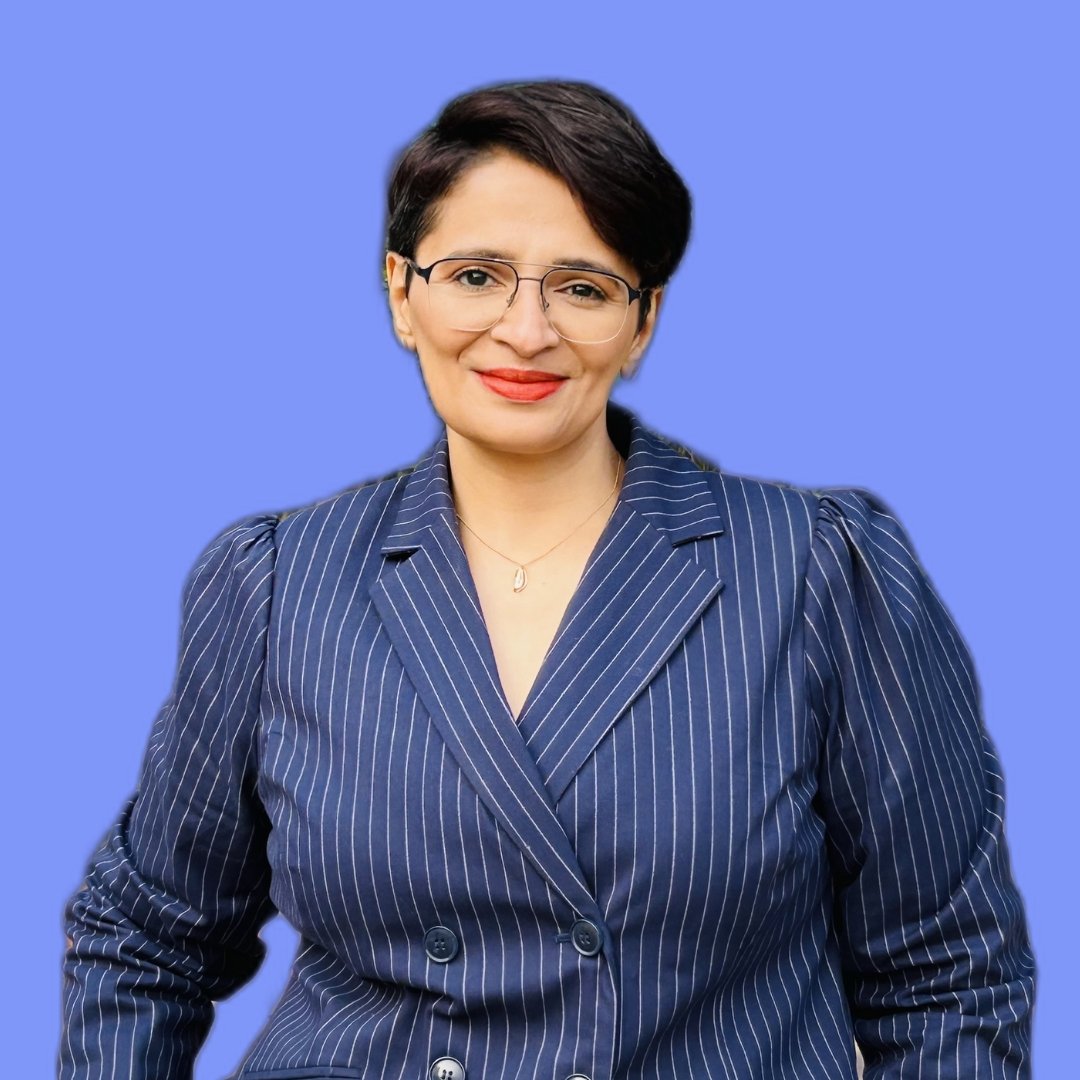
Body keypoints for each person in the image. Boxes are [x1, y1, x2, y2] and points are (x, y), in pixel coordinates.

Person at [60, 80, 1034, 1080]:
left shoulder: (819, 571)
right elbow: (144, 938)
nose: (526, 331)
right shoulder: (276, 583)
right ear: (403, 292)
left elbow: (949, 975)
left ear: (642, 322)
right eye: (477, 275)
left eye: (582, 285)